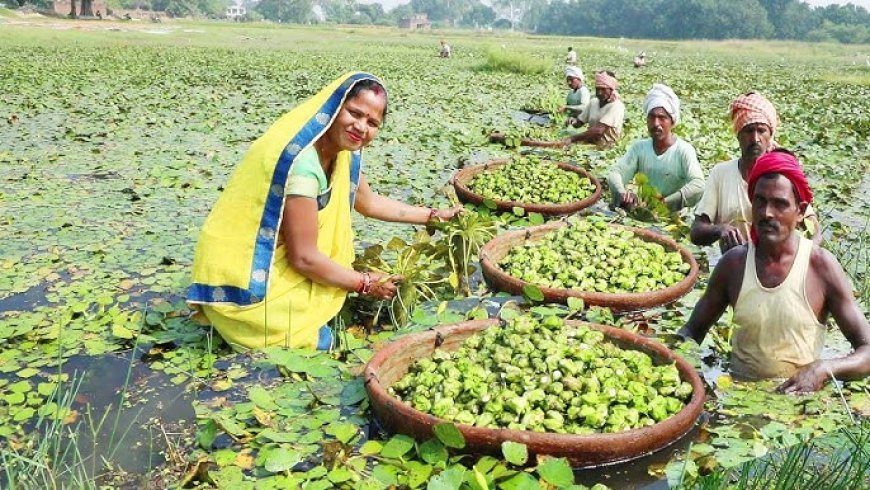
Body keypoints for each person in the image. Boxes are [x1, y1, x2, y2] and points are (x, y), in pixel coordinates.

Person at [187, 73, 462, 351]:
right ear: (333, 107)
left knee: (335, 290)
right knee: (322, 340)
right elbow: (304, 258)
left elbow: (368, 203)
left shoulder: (342, 152)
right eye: (354, 113)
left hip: (282, 258)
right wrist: (365, 284)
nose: (361, 127)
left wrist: (434, 216)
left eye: (372, 122)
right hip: (245, 286)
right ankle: (250, 323)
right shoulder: (303, 166)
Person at [677, 150, 870, 393]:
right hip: (739, 399)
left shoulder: (820, 267)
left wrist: (822, 369)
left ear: (800, 211)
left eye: (780, 204)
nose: (767, 213)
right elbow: (691, 332)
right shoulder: (733, 265)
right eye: (760, 201)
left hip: (798, 406)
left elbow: (867, 351)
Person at [691, 92, 821, 255]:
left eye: (761, 131)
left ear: (770, 135)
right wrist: (720, 230)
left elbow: (813, 228)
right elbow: (696, 232)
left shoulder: (782, 175)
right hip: (733, 263)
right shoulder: (721, 174)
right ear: (738, 135)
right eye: (748, 131)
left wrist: (806, 257)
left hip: (775, 266)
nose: (755, 139)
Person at [606, 84, 704, 212]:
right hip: (643, 210)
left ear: (672, 121)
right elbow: (615, 173)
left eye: (662, 118)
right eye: (652, 117)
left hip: (671, 215)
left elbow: (698, 185)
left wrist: (664, 203)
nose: (656, 123)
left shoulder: (683, 150)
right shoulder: (639, 148)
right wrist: (623, 194)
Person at [563, 71, 625, 148]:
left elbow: (598, 130)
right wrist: (573, 121)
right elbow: (580, 122)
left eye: (603, 89)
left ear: (611, 89)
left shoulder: (616, 106)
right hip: (590, 141)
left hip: (607, 146)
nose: (599, 92)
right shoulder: (594, 102)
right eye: (597, 89)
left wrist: (573, 138)